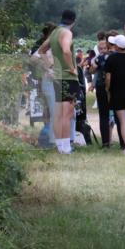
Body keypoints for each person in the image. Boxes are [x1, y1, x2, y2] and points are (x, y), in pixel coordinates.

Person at [36, 9, 79, 154]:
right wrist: (72, 68)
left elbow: (41, 50)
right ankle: (66, 147)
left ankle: (60, 146)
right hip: (68, 77)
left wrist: (50, 65)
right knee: (67, 114)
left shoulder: (54, 32)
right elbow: (66, 51)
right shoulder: (66, 32)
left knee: (59, 114)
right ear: (74, 21)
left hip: (57, 77)